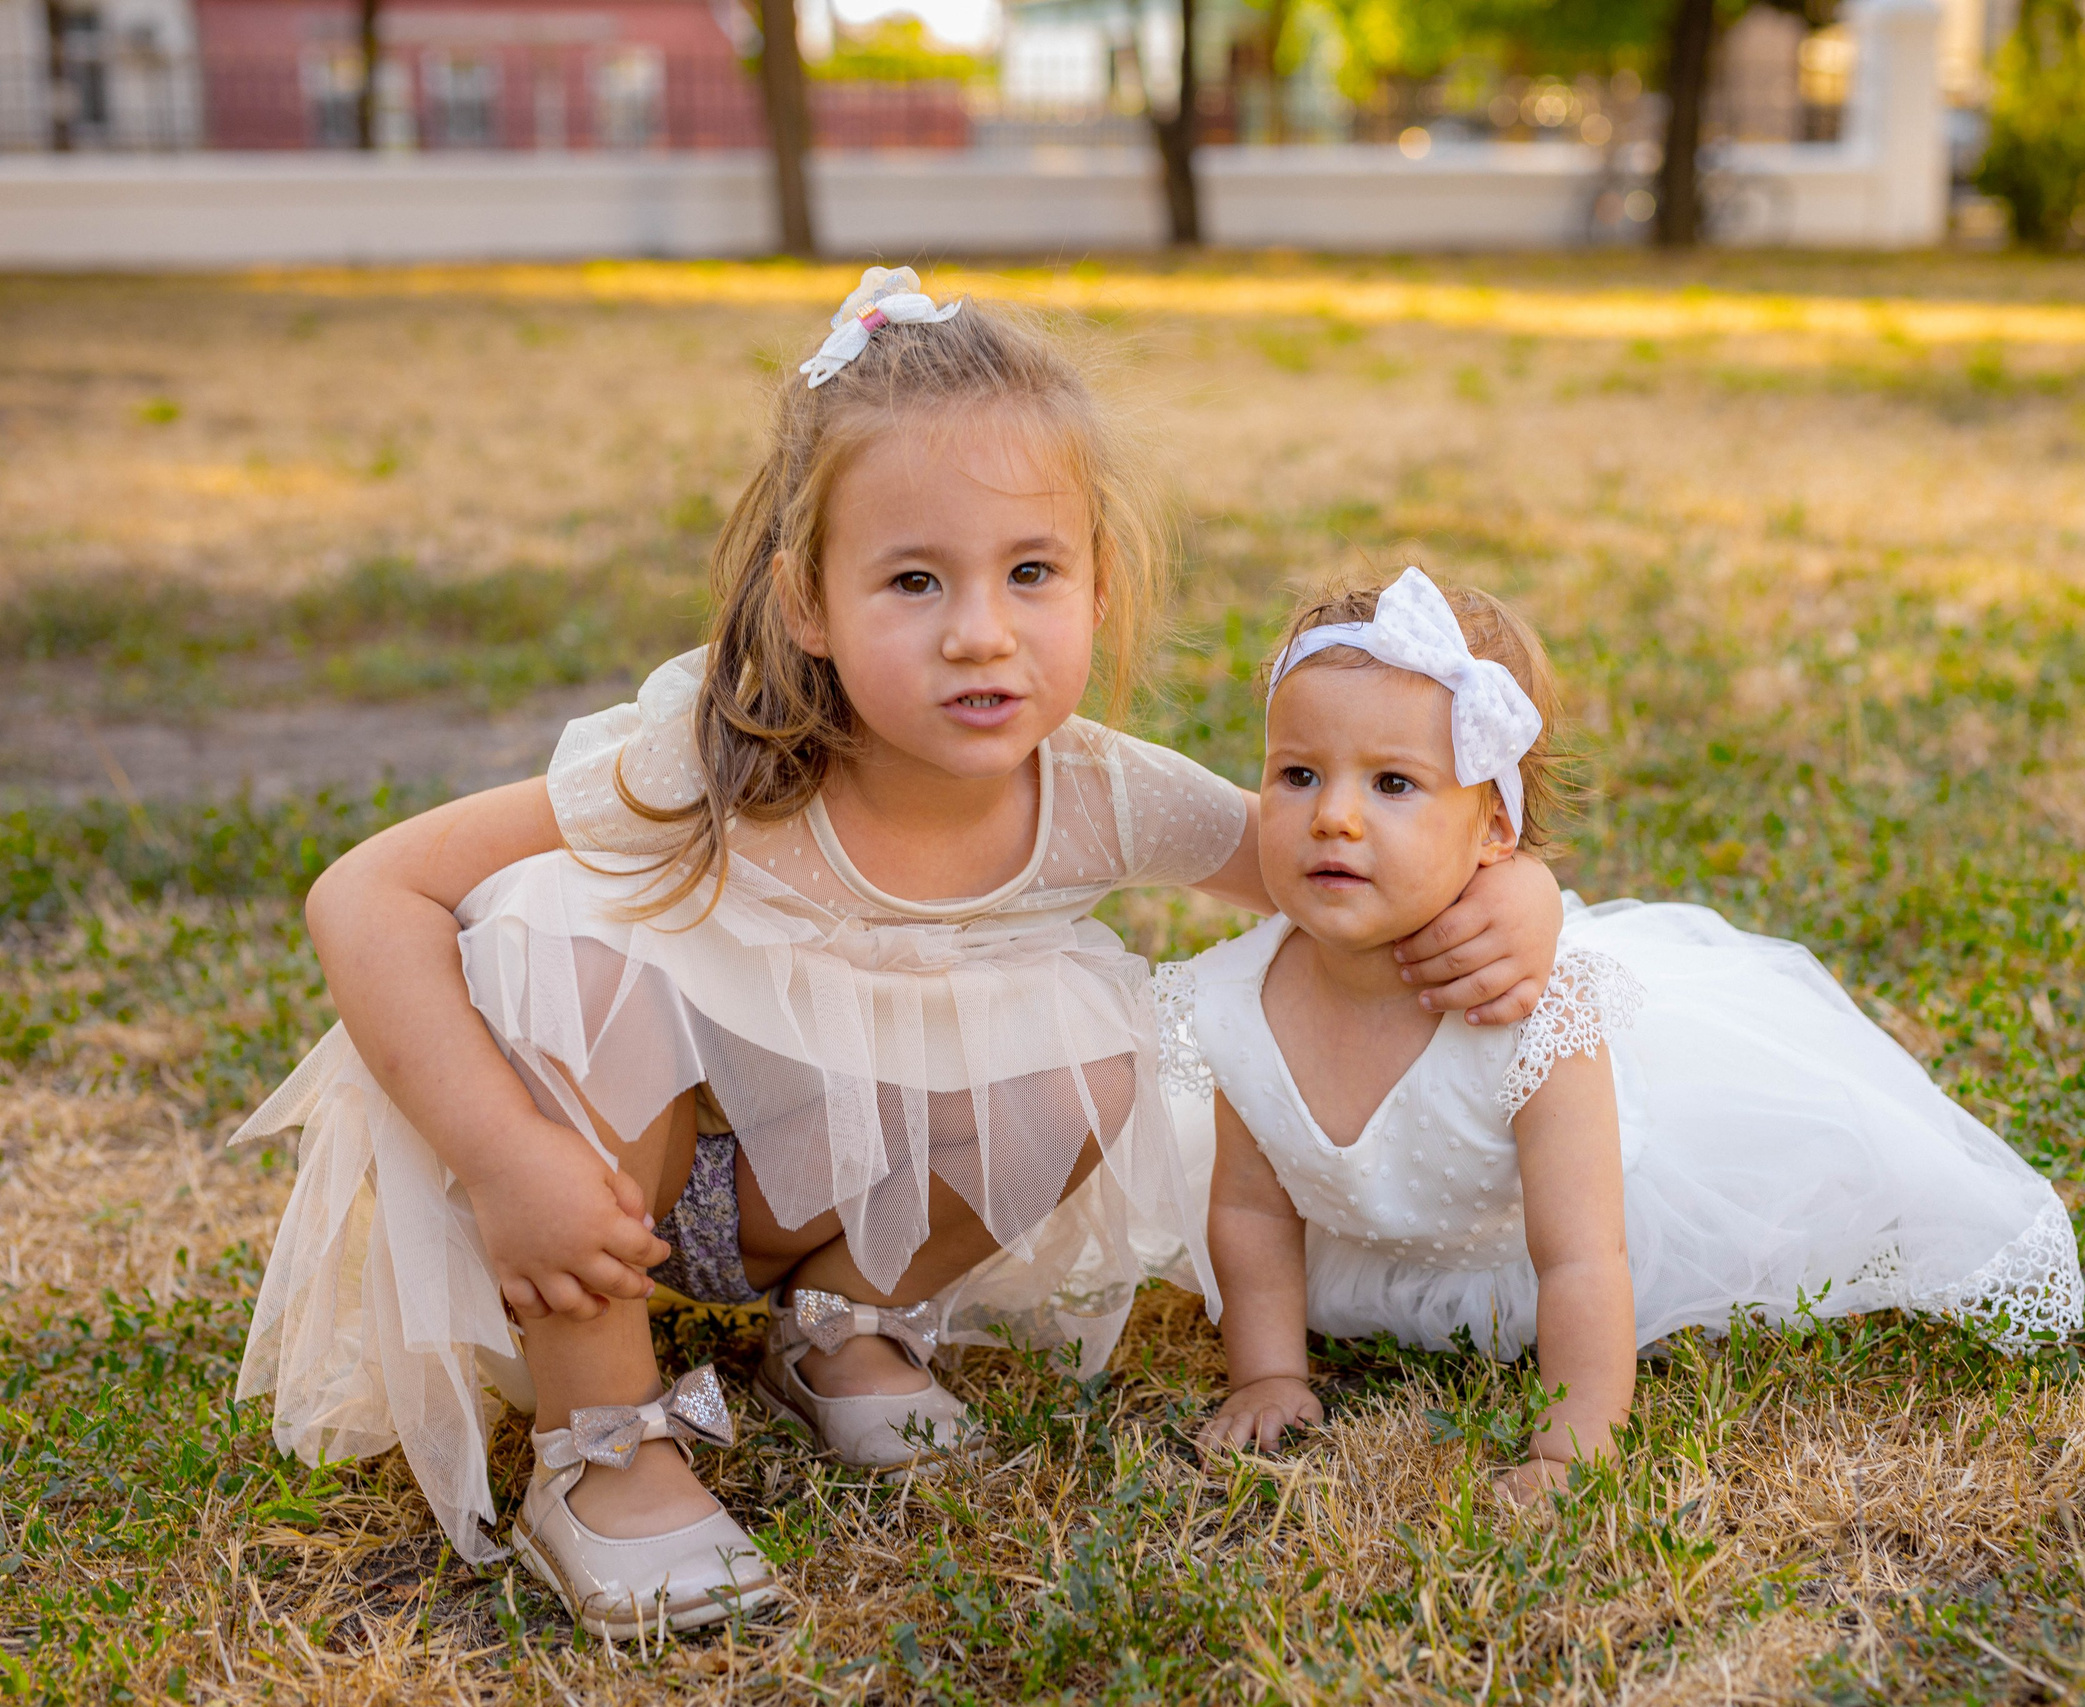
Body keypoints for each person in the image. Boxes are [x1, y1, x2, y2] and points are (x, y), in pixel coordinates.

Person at [230, 273, 1565, 1636]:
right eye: (914, 578)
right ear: (808, 600)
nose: (979, 628)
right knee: (561, 936)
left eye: (1030, 571)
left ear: (1098, 583)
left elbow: (1325, 868)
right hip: (596, 1184)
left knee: (1096, 1038)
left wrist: (1517, 891)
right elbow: (368, 890)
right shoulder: (713, 760)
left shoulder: (1102, 788)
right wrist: (509, 1155)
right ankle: (607, 1448)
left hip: (804, 1206)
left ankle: (842, 1325)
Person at [1169, 568, 2084, 1501]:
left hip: (1545, 1248)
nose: (1334, 813)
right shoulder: (1245, 998)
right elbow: (1252, 1210)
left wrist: (1572, 1446)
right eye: (1298, 774)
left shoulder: (1539, 1023)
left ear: (1493, 828)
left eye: (1394, 782)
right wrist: (1269, 1373)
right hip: (1376, 1242)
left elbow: (1580, 1254)